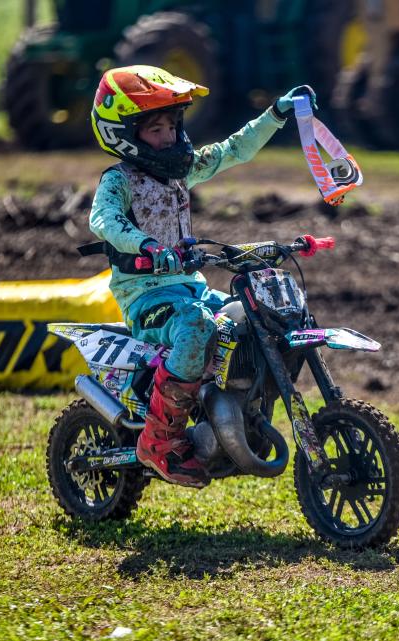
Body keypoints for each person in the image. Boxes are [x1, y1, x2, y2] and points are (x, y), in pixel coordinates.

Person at [88, 65, 314, 488]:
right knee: (196, 325)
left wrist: (276, 114)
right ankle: (159, 440)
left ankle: (239, 413)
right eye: (156, 129)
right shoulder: (118, 181)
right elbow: (104, 220)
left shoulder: (180, 170)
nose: (169, 138)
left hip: (189, 289)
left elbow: (233, 150)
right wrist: (148, 246)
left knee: (250, 314)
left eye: (173, 126)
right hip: (146, 299)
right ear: (124, 133)